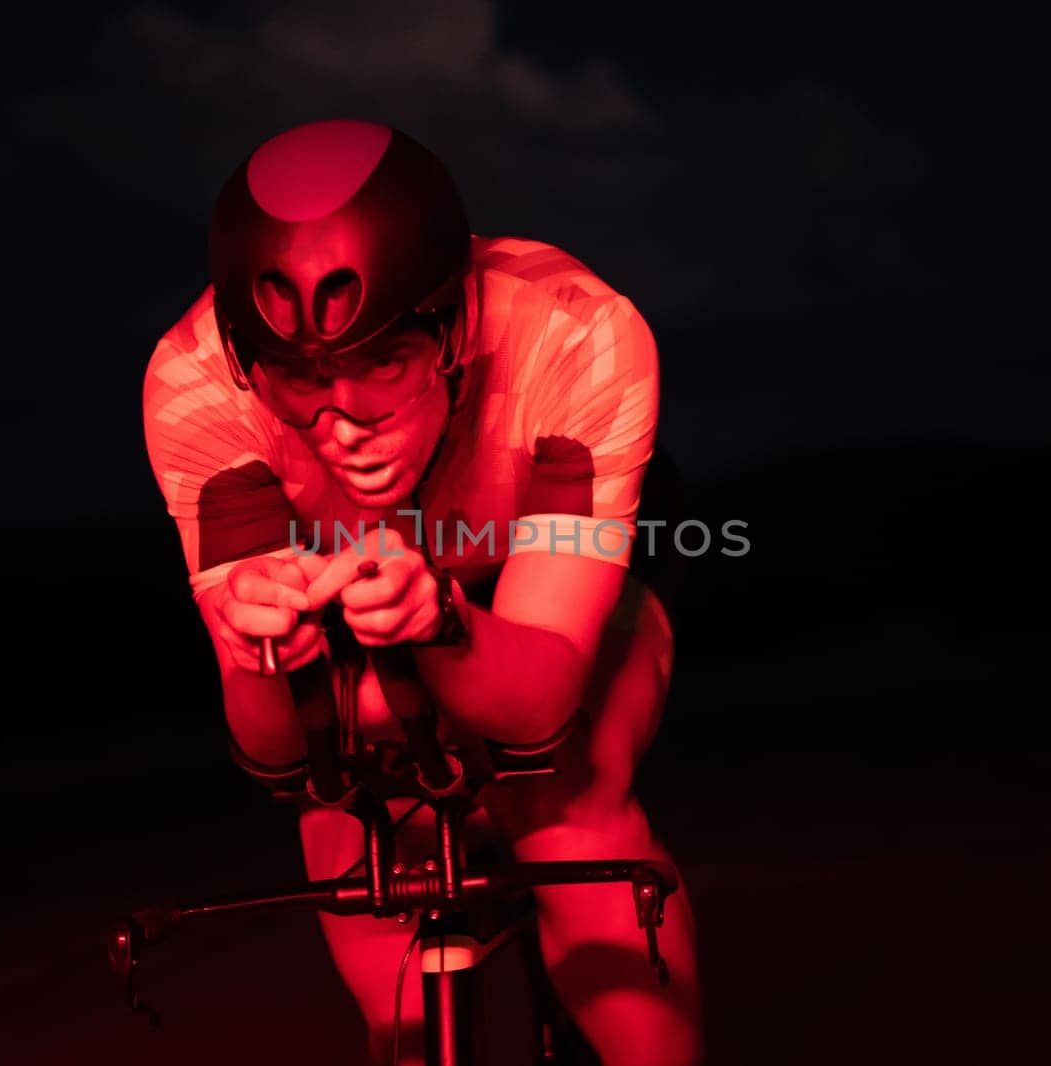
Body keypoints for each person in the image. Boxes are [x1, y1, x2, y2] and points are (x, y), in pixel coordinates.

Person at [142, 118, 702, 1065]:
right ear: (247, 363)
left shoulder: (578, 332)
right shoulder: (194, 380)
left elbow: (540, 703)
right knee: (338, 806)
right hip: (356, 636)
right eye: (296, 379)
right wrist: (255, 656)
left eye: (383, 364)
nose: (344, 420)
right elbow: (277, 758)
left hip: (551, 608)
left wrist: (440, 617)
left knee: (570, 806)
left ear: (450, 325)